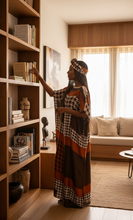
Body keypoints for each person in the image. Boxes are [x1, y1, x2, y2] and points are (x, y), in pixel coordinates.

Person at [31, 58, 91, 208]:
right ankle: (67, 197)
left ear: (77, 72)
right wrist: (39, 77)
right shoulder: (69, 89)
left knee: (76, 165)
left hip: (78, 135)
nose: (67, 71)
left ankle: (77, 199)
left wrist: (65, 110)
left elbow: (85, 115)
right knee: (66, 164)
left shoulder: (83, 90)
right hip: (66, 134)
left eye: (70, 69)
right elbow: (52, 93)